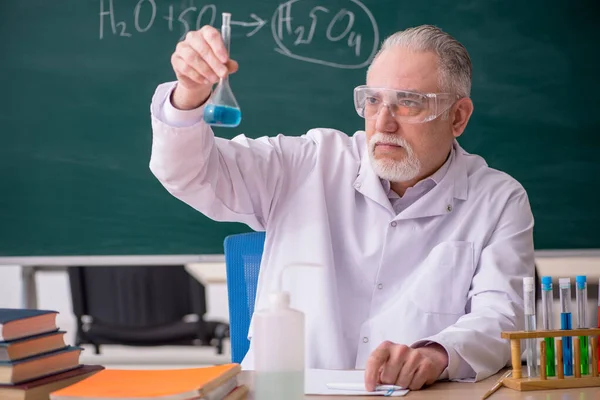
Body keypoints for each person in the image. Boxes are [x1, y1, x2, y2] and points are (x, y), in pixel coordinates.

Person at [149, 24, 534, 390]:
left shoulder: (497, 199)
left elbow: (501, 317)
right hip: (285, 393)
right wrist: (189, 94)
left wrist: (437, 354)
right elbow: (190, 174)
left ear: (458, 117)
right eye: (373, 100)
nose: (383, 122)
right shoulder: (307, 163)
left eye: (409, 104)